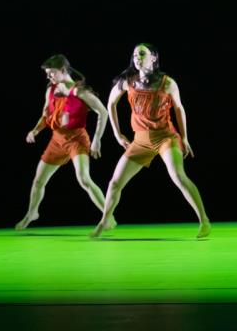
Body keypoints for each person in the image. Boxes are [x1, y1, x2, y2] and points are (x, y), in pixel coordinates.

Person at [90, 43, 210, 239]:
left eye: (141, 54)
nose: (137, 58)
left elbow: (179, 109)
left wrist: (185, 137)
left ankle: (204, 220)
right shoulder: (128, 81)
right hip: (140, 141)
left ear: (153, 57)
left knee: (178, 176)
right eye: (134, 55)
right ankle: (104, 222)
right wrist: (117, 134)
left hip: (165, 137)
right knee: (115, 183)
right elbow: (111, 103)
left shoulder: (167, 83)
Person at [16, 54, 111, 230]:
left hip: (77, 139)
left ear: (63, 70)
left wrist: (97, 140)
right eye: (47, 74)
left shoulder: (80, 92)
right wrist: (35, 130)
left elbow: (103, 113)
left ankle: (108, 217)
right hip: (57, 139)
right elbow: (45, 115)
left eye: (51, 73)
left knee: (84, 179)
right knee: (38, 181)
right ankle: (32, 213)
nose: (48, 77)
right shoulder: (51, 90)